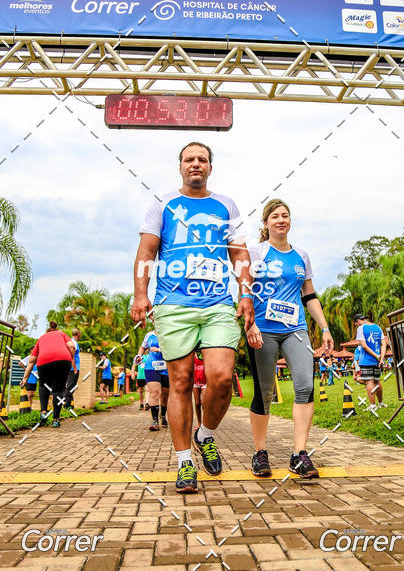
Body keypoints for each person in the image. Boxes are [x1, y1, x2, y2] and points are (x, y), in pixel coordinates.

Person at [131, 141, 259, 494]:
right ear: (180, 167)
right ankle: (185, 461)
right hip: (174, 304)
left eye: (203, 159)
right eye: (190, 159)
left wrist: (246, 293)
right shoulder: (163, 204)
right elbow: (146, 250)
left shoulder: (226, 205)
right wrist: (141, 293)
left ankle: (206, 434)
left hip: (217, 302)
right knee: (182, 382)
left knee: (221, 376)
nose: (196, 164)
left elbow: (241, 255)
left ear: (210, 167)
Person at [246, 199, 334, 479]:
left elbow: (309, 295)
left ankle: (299, 454)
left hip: (295, 328)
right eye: (275, 216)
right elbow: (243, 291)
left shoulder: (301, 256)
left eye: (285, 215)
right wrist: (249, 325)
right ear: (266, 223)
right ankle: (260, 453)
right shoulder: (256, 252)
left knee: (305, 386)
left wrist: (325, 327)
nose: (281, 220)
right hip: (263, 329)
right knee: (264, 392)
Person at [21, 321, 75, 427]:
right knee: (58, 390)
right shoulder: (62, 334)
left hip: (44, 362)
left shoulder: (41, 338)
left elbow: (31, 361)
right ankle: (55, 420)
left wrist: (25, 378)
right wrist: (70, 357)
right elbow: (72, 346)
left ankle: (43, 412)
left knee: (43, 386)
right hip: (63, 360)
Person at [135, 326, 169, 431]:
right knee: (155, 392)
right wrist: (138, 356)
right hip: (151, 366)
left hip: (167, 366)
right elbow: (142, 347)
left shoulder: (169, 333)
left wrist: (159, 350)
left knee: (165, 393)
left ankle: (163, 415)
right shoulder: (149, 335)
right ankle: (155, 421)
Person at [353, 313, 387, 409]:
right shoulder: (377, 327)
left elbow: (364, 346)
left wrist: (377, 356)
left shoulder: (361, 328)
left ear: (358, 321)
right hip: (377, 361)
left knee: (369, 382)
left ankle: (373, 405)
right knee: (377, 381)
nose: (357, 325)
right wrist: (381, 357)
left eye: (356, 324)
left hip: (366, 360)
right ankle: (381, 403)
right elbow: (383, 343)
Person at [63, 328, 81, 410]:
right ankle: (66, 404)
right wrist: (75, 369)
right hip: (73, 368)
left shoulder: (69, 341)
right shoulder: (74, 343)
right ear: (78, 334)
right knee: (71, 386)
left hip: (68, 367)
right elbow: (72, 357)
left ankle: (68, 403)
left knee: (70, 386)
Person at [193, 353, 206, 429]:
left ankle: (205, 424)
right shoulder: (193, 354)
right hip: (196, 382)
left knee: (204, 402)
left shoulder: (206, 353)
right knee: (197, 403)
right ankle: (199, 423)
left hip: (205, 381)